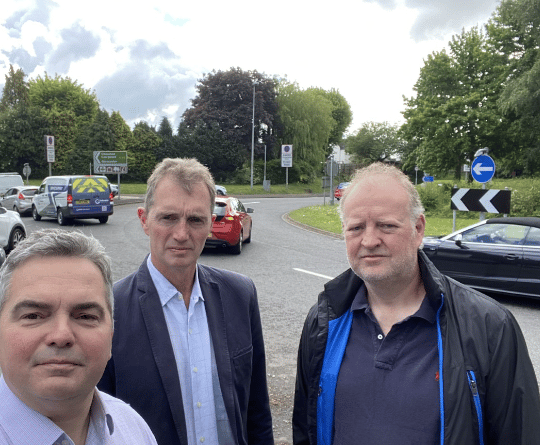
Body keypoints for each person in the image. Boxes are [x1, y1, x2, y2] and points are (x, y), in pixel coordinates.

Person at [292, 163, 540, 445]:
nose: (369, 240)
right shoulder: (324, 321)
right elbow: (305, 428)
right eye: (356, 227)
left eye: (386, 226)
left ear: (418, 229)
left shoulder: (489, 327)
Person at [97, 158, 274, 445]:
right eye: (168, 218)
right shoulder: (109, 309)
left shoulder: (241, 295)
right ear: (144, 220)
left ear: (210, 224)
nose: (181, 234)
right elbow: (98, 425)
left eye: (195, 220)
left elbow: (257, 413)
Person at [0, 229, 158, 445]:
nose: (61, 336)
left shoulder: (133, 427)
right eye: (33, 315)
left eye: (85, 316)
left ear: (110, 337)